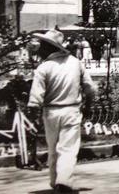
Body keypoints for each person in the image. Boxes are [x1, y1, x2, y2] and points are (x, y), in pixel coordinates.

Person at [27, 28, 96, 193]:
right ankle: (63, 181)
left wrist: (33, 119)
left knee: (53, 148)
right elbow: (90, 88)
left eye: (43, 46)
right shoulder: (75, 63)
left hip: (51, 112)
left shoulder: (44, 68)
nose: (41, 49)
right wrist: (88, 106)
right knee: (68, 148)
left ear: (50, 48)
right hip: (72, 110)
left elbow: (36, 97)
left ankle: (55, 181)